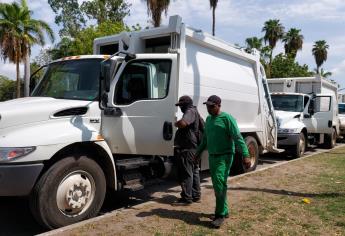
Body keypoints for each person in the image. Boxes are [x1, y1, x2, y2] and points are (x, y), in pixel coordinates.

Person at [195, 95, 251, 228]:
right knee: (220, 184)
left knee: (219, 184)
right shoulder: (209, 119)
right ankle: (224, 211)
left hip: (225, 156)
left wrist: (246, 154)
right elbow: (205, 140)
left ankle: (219, 215)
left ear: (219, 106)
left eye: (212, 106)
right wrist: (197, 153)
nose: (209, 108)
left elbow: (237, 137)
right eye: (207, 106)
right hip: (213, 156)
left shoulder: (227, 119)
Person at [174, 95, 202, 204]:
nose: (180, 107)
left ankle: (187, 198)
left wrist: (175, 123)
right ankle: (195, 195)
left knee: (187, 173)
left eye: (181, 105)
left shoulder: (190, 111)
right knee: (194, 171)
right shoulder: (194, 110)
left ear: (185, 105)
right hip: (194, 148)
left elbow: (183, 123)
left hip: (188, 149)